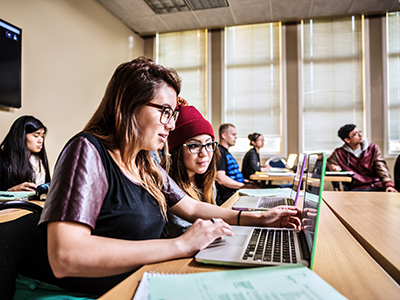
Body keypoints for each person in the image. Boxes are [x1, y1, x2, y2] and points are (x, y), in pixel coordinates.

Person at [14, 57, 301, 299]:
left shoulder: (144, 161)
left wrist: (256, 218)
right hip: (61, 292)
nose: (172, 124)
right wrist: (181, 245)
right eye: (165, 112)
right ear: (127, 105)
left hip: (125, 285)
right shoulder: (87, 151)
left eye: (174, 113)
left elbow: (190, 207)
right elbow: (66, 256)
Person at [163, 100, 220, 238]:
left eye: (209, 144)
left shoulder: (207, 182)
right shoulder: (167, 186)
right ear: (176, 151)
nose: (204, 153)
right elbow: (180, 233)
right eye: (194, 145)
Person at [327, 124, 397, 192]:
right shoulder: (339, 153)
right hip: (357, 189)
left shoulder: (372, 148)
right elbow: (326, 165)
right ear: (347, 140)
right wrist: (331, 167)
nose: (360, 135)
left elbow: (381, 167)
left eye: (359, 132)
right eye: (356, 134)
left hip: (377, 185)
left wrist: (388, 184)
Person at [0, 115, 50, 192]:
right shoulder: (3, 159)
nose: (41, 140)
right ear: (21, 136)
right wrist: (10, 191)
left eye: (42, 136)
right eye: (36, 136)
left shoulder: (39, 161)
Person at [216, 124, 258, 206]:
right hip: (230, 195)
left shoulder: (226, 152)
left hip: (238, 188)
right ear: (223, 135)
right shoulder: (219, 152)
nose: (236, 137)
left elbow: (232, 174)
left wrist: (248, 182)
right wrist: (244, 186)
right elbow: (221, 179)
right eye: (233, 134)